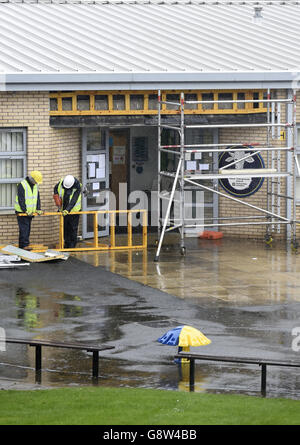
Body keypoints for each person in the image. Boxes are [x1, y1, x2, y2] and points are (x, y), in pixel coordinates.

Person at [14, 171, 43, 250]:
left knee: (26, 228)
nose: (36, 183)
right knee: (25, 229)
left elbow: (37, 198)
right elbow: (21, 199)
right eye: (36, 181)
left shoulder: (35, 186)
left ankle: (23, 246)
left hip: (30, 212)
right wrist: (25, 210)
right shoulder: (22, 185)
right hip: (22, 212)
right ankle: (24, 246)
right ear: (32, 179)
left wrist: (38, 208)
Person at [53, 175, 82, 248]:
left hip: (74, 211)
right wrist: (56, 198)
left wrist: (67, 210)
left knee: (72, 228)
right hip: (64, 210)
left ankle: (72, 246)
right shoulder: (61, 183)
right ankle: (67, 244)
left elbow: (73, 200)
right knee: (65, 228)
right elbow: (55, 189)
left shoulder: (77, 187)